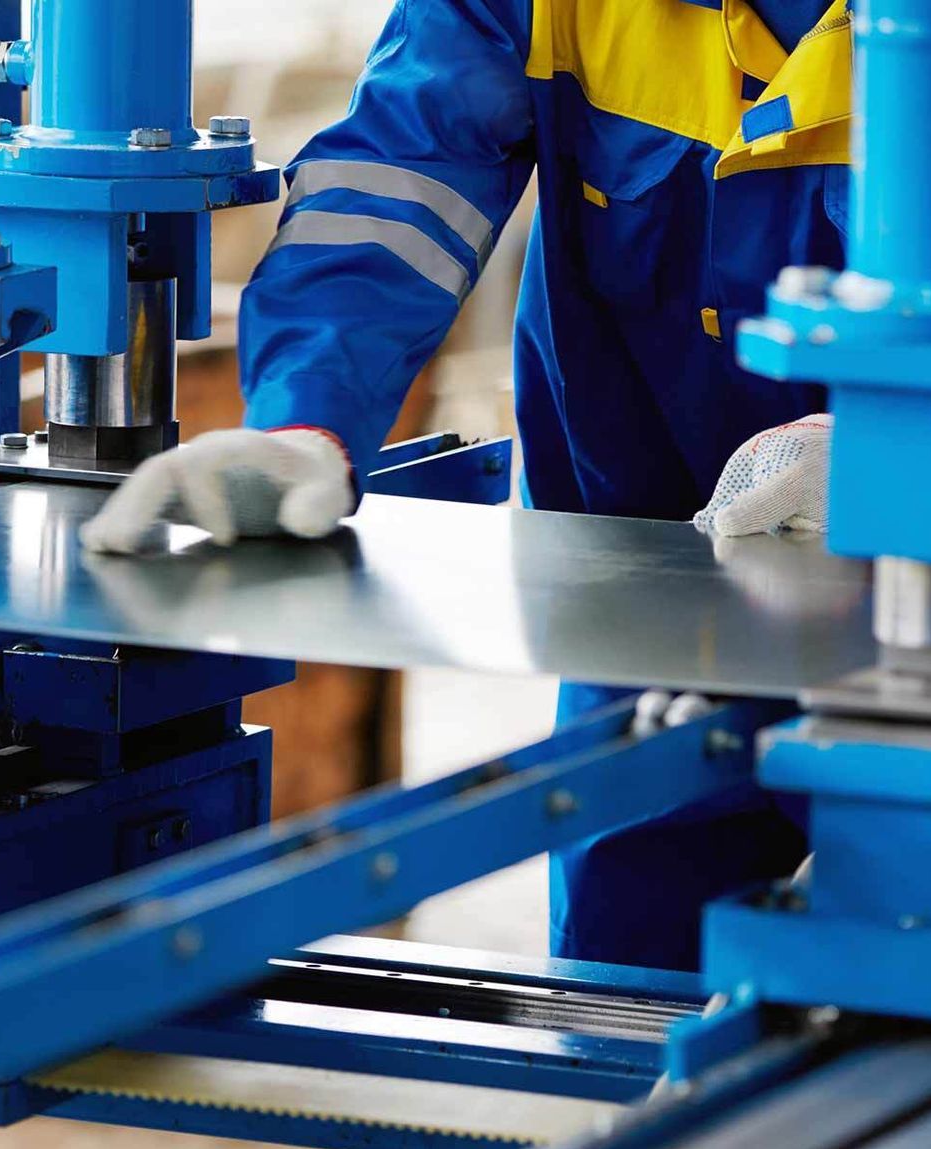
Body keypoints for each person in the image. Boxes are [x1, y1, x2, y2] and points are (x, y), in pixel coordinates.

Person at [81, 0, 851, 969]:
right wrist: (305, 420)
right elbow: (400, 175)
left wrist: (912, 451)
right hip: (649, 612)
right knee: (634, 999)